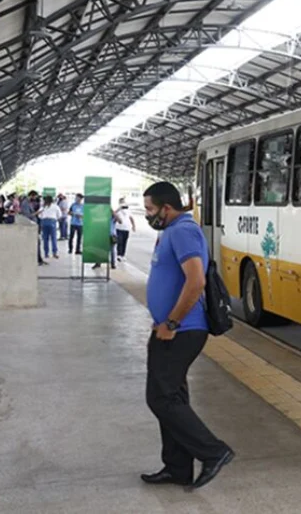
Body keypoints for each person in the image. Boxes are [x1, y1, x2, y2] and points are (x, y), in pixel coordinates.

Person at [140, 181, 233, 490]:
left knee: (160, 397)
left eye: (151, 209)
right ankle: (177, 467)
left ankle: (213, 451)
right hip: (172, 328)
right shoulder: (172, 231)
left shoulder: (182, 231)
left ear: (167, 207)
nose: (148, 215)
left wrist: (172, 323)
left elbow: (195, 282)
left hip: (183, 330)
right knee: (172, 396)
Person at [114, 197, 136, 262]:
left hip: (126, 228)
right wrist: (119, 208)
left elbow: (131, 218)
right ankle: (119, 255)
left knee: (124, 242)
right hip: (119, 228)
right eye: (121, 202)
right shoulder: (118, 210)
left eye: (124, 202)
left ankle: (123, 255)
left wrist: (133, 226)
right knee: (119, 241)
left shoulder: (128, 210)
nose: (123, 203)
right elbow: (113, 214)